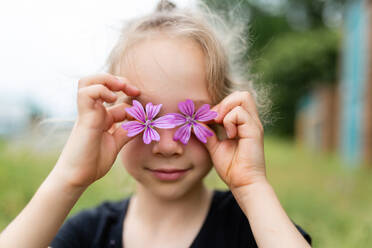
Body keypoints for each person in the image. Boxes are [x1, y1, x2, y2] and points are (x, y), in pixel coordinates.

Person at [0, 0, 312, 247]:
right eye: (144, 116)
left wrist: (252, 186)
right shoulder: (88, 233)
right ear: (111, 117)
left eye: (190, 120)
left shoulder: (253, 229)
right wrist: (69, 178)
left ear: (224, 117)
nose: (166, 146)